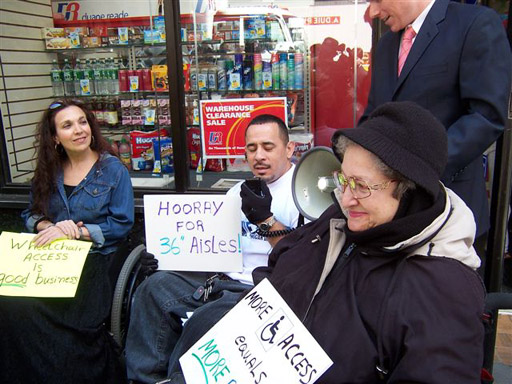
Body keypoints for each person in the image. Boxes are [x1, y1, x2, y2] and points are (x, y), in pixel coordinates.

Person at [250, 101, 485, 383]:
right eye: (344, 180)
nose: (345, 198)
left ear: (409, 187)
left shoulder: (443, 288)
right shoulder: (344, 216)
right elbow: (281, 266)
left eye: (361, 186)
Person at [125, 114, 301, 383]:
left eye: (268, 146)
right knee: (153, 288)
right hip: (224, 280)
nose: (259, 156)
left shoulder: (302, 191)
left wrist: (265, 221)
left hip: (267, 291)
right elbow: (208, 248)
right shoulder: (238, 192)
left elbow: (301, 259)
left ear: (289, 149)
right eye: (251, 148)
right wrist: (164, 258)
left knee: (205, 318)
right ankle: (145, 379)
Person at [362, 0, 512, 269]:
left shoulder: (474, 24)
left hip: (450, 211)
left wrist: (417, 169)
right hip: (391, 218)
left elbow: (485, 117)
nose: (373, 12)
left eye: (377, 0)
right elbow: (374, 115)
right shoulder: (386, 45)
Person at [0, 99, 134, 383]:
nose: (79, 130)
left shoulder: (113, 170)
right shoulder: (49, 170)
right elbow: (31, 213)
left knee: (67, 318)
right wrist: (47, 225)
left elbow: (121, 224)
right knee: (11, 302)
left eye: (83, 122)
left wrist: (78, 232)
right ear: (54, 138)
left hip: (94, 258)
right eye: (67, 125)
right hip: (50, 259)